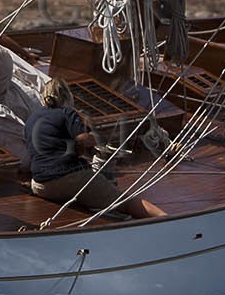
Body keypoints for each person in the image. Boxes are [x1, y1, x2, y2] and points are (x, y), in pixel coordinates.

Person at [24, 78, 161, 220]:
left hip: (41, 185)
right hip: (67, 179)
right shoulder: (66, 112)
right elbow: (84, 139)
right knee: (126, 201)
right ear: (66, 96)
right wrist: (95, 136)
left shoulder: (31, 119)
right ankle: (167, 220)